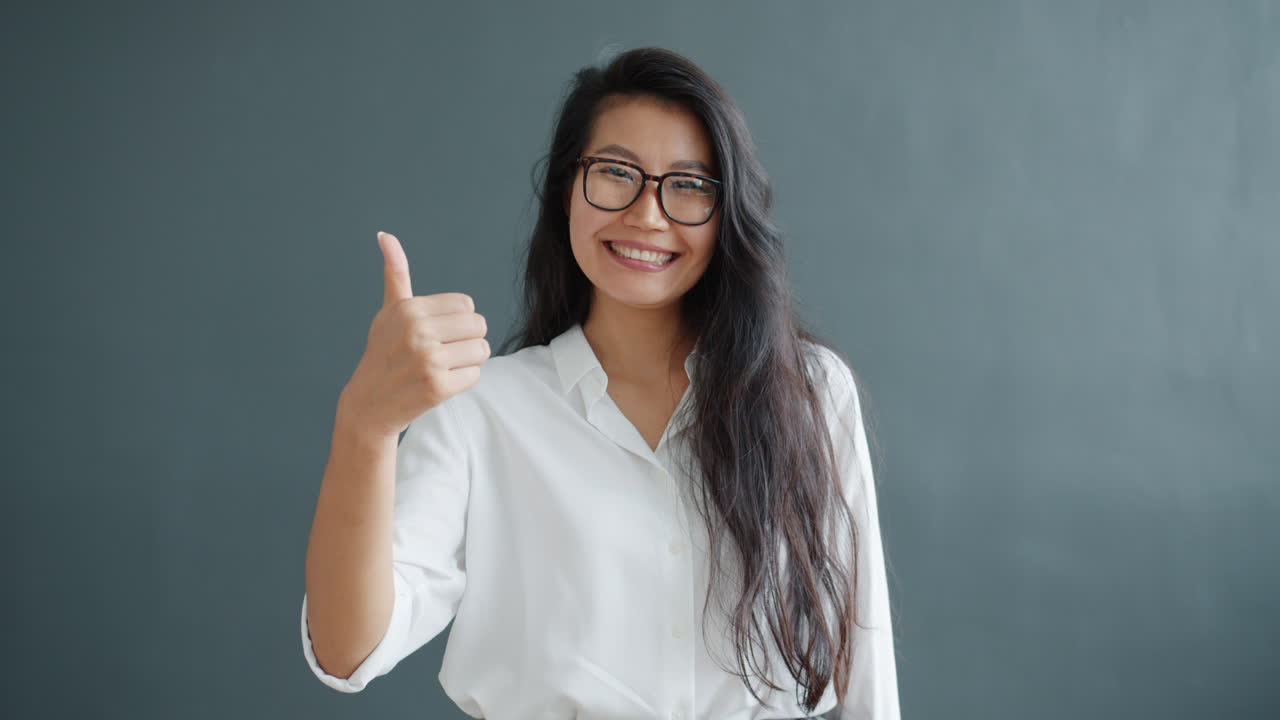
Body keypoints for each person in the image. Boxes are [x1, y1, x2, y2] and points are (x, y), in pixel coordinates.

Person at [301, 46, 900, 720]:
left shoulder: (811, 392)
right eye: (616, 173)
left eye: (689, 184)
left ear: (727, 211)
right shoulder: (481, 410)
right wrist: (365, 426)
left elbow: (862, 661)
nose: (648, 214)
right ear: (566, 190)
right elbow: (347, 650)